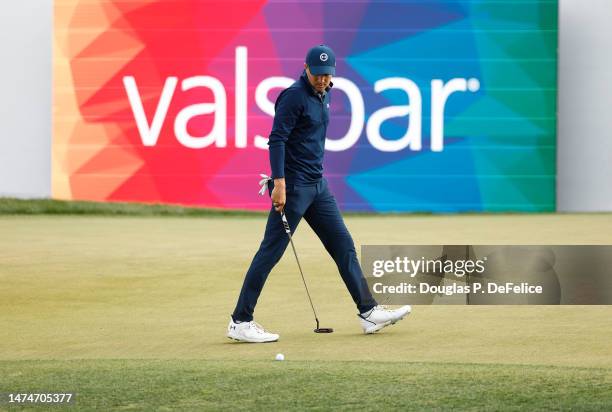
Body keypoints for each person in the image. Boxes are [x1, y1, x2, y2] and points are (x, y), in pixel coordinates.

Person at [227, 45, 411, 343]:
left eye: (328, 74)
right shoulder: (294, 96)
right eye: (318, 74)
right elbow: (277, 140)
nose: (323, 79)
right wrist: (279, 183)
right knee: (270, 253)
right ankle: (240, 321)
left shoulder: (325, 95)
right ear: (306, 68)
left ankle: (368, 311)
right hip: (294, 187)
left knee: (343, 246)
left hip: (318, 187)